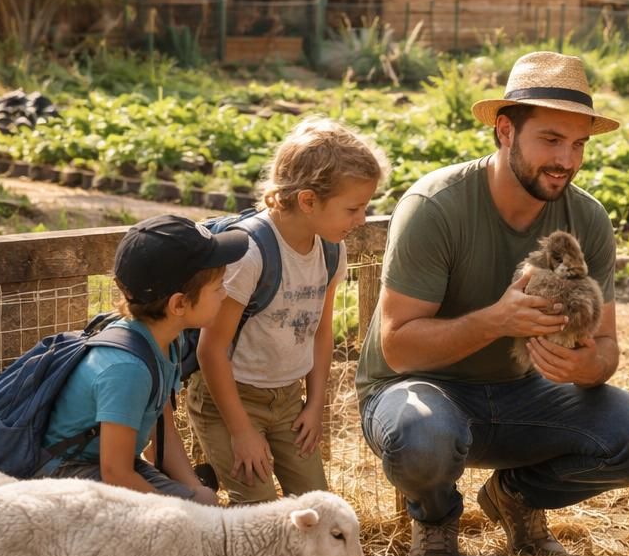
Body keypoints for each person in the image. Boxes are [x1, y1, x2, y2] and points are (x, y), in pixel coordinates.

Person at [354, 51, 629, 556]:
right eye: (551, 139)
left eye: (578, 145)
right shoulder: (436, 206)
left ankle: (514, 495)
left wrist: (584, 367)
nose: (567, 160)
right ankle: (435, 520)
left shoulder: (587, 218)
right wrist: (497, 321)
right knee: (425, 438)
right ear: (505, 130)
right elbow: (398, 347)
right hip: (420, 389)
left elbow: (608, 350)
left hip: (522, 394)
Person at [187, 118, 387, 503]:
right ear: (308, 200)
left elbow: (321, 332)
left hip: (288, 401)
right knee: (260, 512)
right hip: (231, 400)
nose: (361, 220)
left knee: (319, 508)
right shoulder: (250, 254)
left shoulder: (331, 249)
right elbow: (210, 350)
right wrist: (241, 431)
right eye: (353, 208)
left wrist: (314, 407)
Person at [44, 215, 248, 502]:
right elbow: (115, 472)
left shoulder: (164, 341)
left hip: (105, 468)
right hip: (66, 478)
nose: (225, 295)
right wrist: (177, 514)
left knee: (205, 500)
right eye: (218, 288)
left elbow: (161, 429)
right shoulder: (128, 369)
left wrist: (196, 491)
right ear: (178, 304)